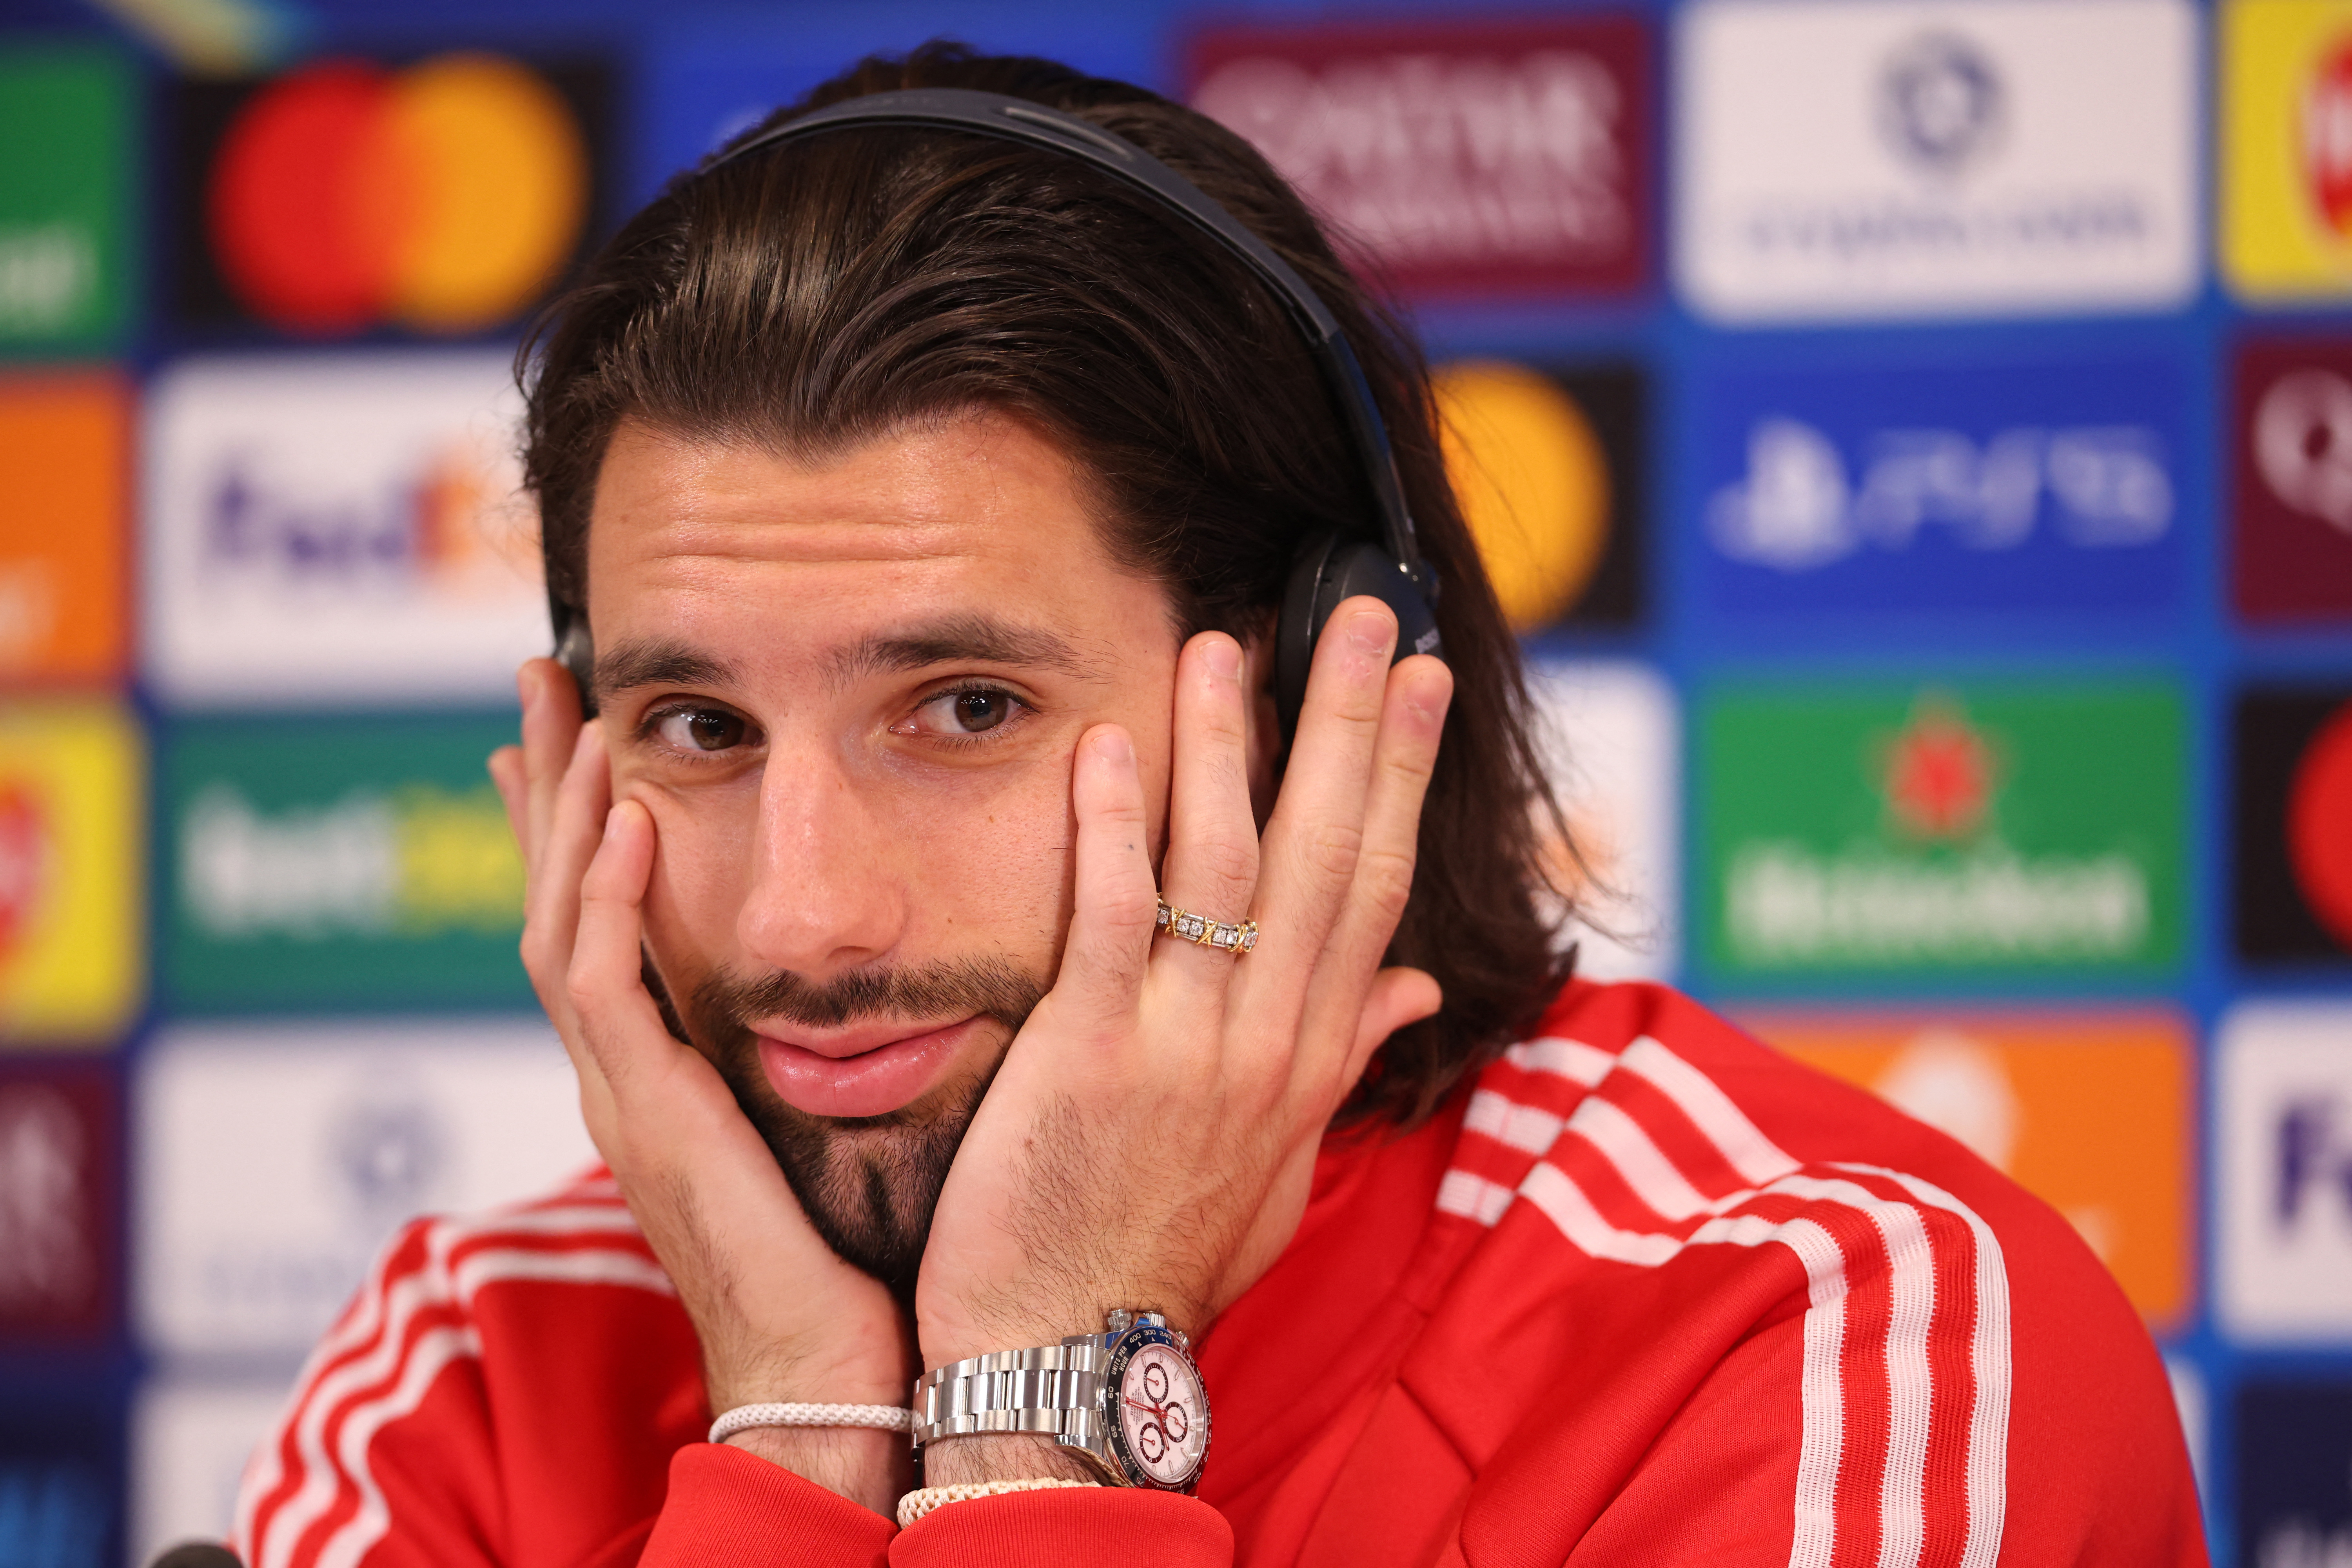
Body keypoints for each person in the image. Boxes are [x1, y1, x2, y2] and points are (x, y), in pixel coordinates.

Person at [231, 44, 2205, 1568]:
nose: (799, 923)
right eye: (700, 726)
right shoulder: (473, 1377)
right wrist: (790, 1442)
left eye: (966, 704)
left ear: (1312, 702)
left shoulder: (1815, 1335)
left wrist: (1027, 1424)